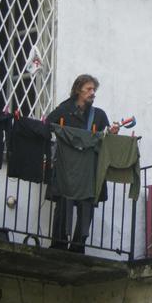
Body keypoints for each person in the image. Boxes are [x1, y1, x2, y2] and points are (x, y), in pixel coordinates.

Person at [46, 74, 119, 253]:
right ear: (78, 90)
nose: (92, 93)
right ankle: (59, 245)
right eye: (89, 89)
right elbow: (47, 126)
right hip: (66, 169)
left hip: (89, 171)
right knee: (63, 203)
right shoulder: (63, 110)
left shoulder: (99, 115)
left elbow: (106, 141)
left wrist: (113, 132)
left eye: (94, 89)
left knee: (87, 206)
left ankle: (78, 246)